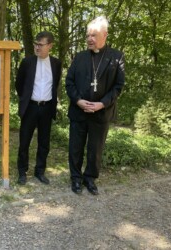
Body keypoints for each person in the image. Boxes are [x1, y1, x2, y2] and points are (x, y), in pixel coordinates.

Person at [65, 16, 125, 195]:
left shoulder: (117, 57)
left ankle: (89, 178)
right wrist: (78, 101)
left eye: (94, 35)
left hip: (100, 113)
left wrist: (102, 104)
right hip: (79, 111)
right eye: (87, 35)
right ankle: (76, 178)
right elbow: (69, 82)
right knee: (75, 147)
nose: (89, 39)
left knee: (95, 149)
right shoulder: (80, 57)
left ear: (105, 35)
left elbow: (118, 86)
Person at [15, 31, 62, 185]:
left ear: (50, 46)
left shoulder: (56, 64)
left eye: (40, 45)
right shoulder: (27, 62)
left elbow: (55, 85)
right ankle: (22, 172)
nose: (37, 47)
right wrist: (26, 99)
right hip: (30, 107)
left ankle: (39, 172)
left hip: (47, 108)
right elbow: (19, 85)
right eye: (36, 44)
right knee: (24, 141)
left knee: (44, 142)